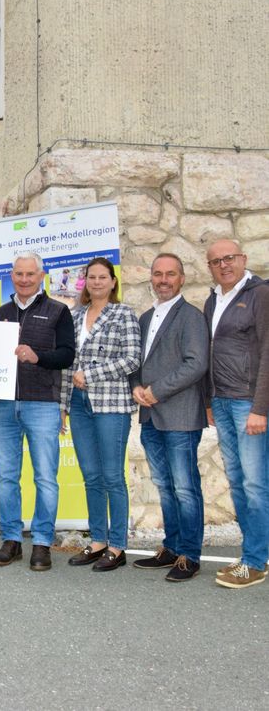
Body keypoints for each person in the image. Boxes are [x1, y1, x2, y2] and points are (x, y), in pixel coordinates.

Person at [0, 252, 75, 571]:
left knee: (45, 478)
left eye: (30, 274)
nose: (24, 280)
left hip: (43, 404)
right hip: (4, 406)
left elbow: (67, 355)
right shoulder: (3, 312)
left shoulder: (59, 311)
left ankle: (41, 543)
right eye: (18, 274)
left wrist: (38, 357)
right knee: (6, 478)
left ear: (42, 276)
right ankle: (11, 539)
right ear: (11, 276)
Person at [129, 253, 209, 581]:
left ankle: (190, 554)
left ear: (182, 278)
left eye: (170, 274)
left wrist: (157, 390)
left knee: (186, 487)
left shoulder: (191, 317)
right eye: (158, 274)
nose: (163, 279)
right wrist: (136, 386)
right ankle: (172, 548)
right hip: (150, 416)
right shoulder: (146, 317)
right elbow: (137, 361)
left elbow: (196, 363)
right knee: (164, 486)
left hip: (179, 416)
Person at [62, 257, 141, 573]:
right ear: (85, 283)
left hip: (111, 404)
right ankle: (97, 541)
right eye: (90, 277)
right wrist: (63, 406)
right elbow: (68, 364)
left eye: (102, 277)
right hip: (78, 404)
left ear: (112, 282)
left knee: (112, 476)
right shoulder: (74, 315)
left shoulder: (124, 314)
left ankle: (117, 545)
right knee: (91, 476)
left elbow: (132, 359)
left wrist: (92, 374)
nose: (96, 282)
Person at [203, 239, 269, 590]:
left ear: (243, 259)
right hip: (224, 403)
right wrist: (210, 402)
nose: (223, 265)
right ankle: (256, 552)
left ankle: (255, 562)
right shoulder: (213, 299)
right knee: (240, 483)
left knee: (256, 485)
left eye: (229, 258)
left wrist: (261, 408)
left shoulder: (260, 293)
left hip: (248, 404)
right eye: (216, 261)